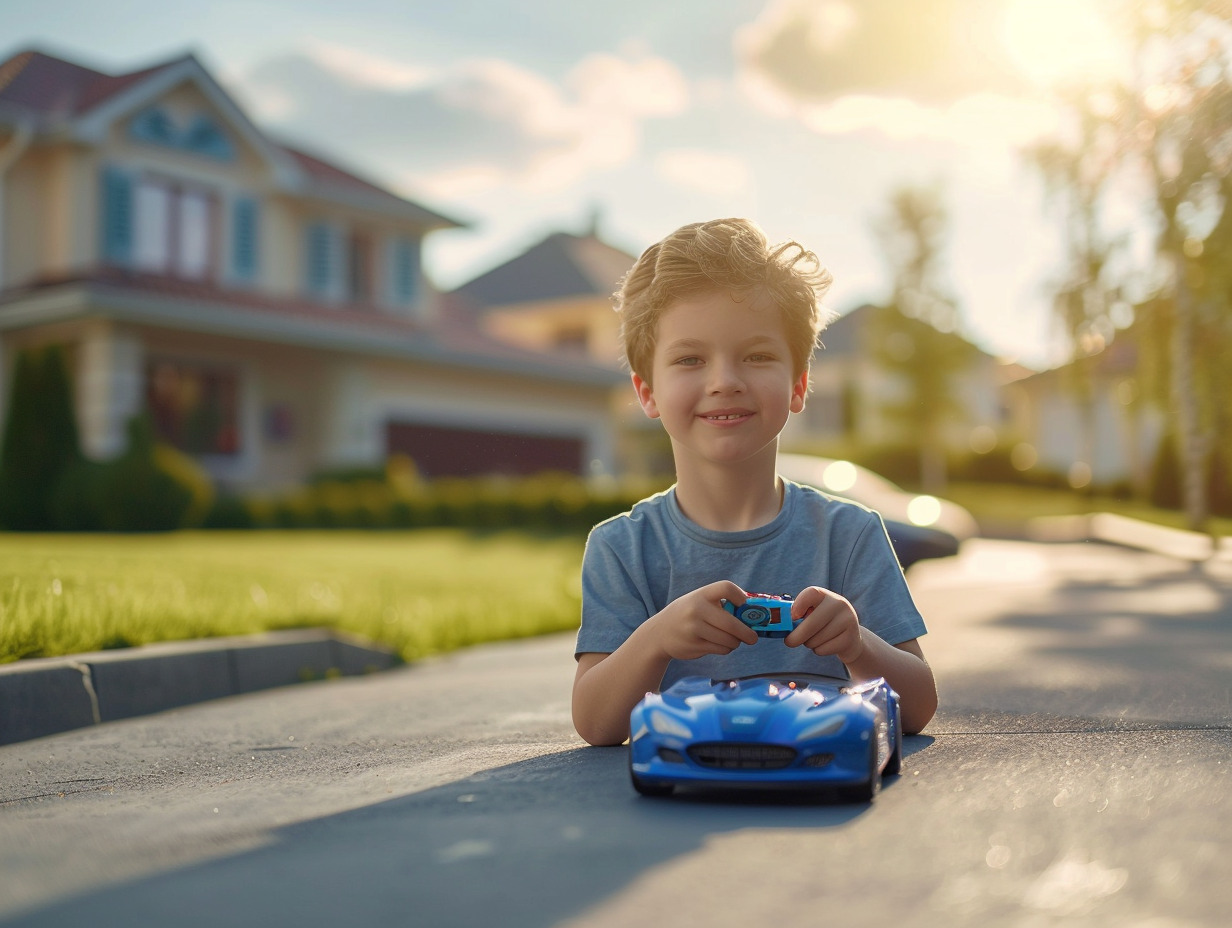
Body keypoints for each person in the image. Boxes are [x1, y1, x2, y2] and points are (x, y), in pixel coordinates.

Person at [571, 218, 937, 747]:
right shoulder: (621, 547)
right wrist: (656, 640)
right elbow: (595, 725)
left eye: (757, 356)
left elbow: (919, 708)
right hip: (675, 809)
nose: (725, 381)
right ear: (647, 392)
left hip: (820, 805)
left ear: (799, 385)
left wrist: (859, 646)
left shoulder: (850, 534)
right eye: (690, 359)